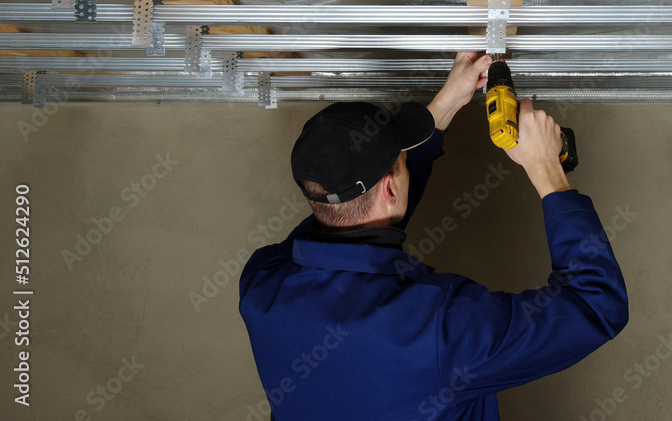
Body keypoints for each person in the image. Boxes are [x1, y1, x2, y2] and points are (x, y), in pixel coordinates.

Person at [239, 51, 628, 420]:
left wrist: (444, 105)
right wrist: (548, 173)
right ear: (391, 189)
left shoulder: (263, 284)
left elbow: (356, 228)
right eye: (405, 160)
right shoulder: (441, 329)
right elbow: (595, 304)